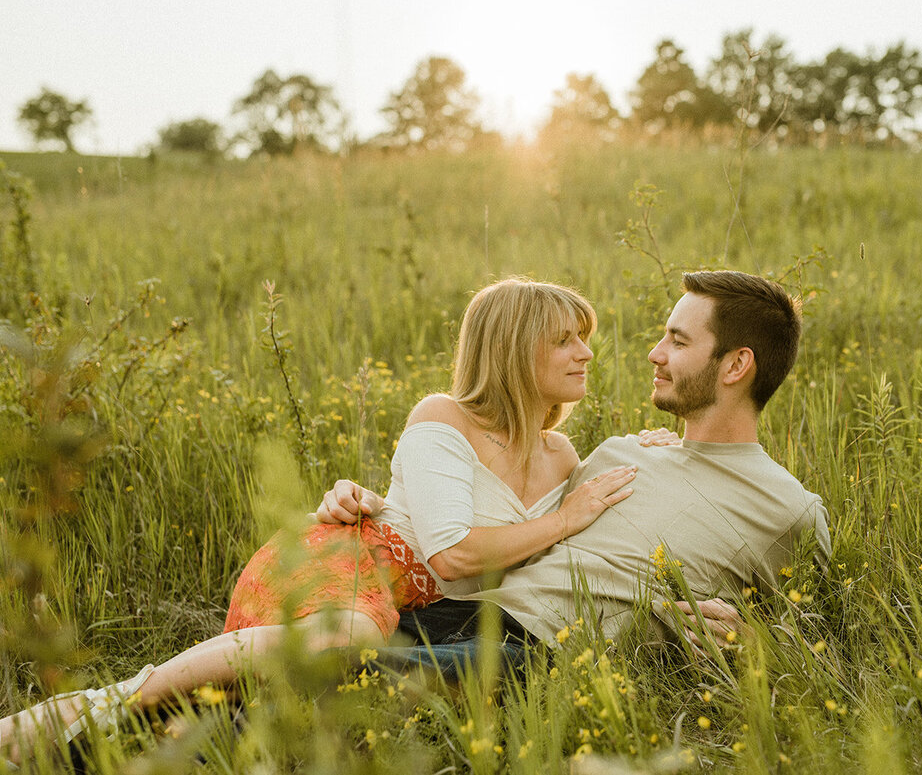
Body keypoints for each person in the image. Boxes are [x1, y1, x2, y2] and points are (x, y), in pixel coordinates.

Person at [0, 277, 649, 761]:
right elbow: (452, 555)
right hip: (349, 560)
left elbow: (589, 525)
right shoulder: (444, 417)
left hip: (407, 611)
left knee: (228, 706)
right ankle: (112, 699)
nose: (585, 352)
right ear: (511, 349)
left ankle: (87, 737)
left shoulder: (563, 455)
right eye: (564, 339)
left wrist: (659, 448)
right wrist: (568, 518)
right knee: (346, 636)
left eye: (584, 337)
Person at [328, 270, 832, 670]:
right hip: (464, 612)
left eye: (678, 343)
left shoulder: (788, 509)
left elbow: (826, 633)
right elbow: (512, 514)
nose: (654, 355)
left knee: (356, 677)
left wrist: (753, 641)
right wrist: (376, 502)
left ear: (735, 366)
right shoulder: (622, 452)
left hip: (550, 649)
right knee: (328, 650)